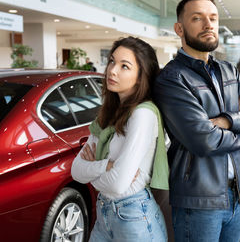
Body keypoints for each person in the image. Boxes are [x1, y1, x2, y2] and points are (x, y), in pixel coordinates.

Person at [153, 0, 240, 242]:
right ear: (179, 28)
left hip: (236, 194)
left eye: (213, 18)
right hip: (198, 200)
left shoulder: (229, 71)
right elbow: (204, 140)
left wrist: (228, 121)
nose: (209, 24)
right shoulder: (172, 79)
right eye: (197, 18)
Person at [72, 36, 169, 242]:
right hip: (104, 213)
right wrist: (107, 165)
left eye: (125, 66)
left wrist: (94, 170)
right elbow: (76, 170)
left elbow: (118, 184)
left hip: (134, 217)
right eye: (112, 61)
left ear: (141, 76)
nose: (112, 70)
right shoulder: (108, 114)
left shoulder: (143, 114)